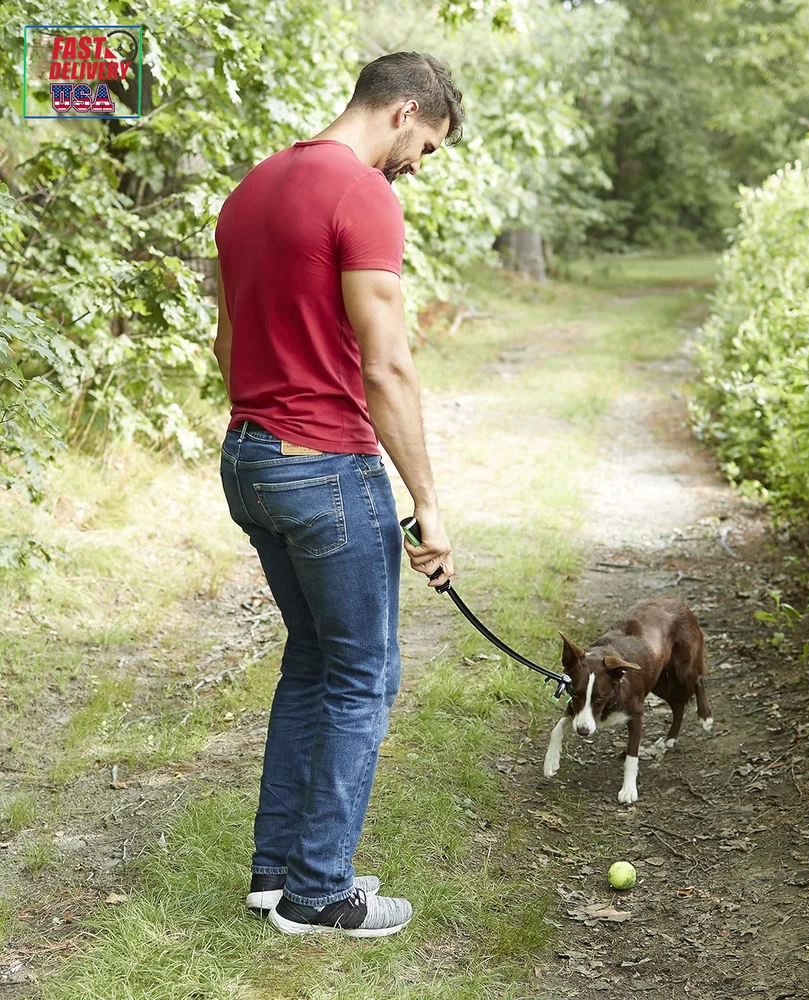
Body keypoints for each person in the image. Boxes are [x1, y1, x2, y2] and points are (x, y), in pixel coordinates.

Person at [212, 51, 462, 938]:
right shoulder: (363, 194)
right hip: (323, 466)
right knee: (364, 677)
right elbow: (386, 364)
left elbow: (225, 345)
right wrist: (428, 503)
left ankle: (277, 871)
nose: (417, 166)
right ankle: (320, 892)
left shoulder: (251, 190)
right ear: (404, 112)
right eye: (426, 147)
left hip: (249, 458)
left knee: (314, 660)